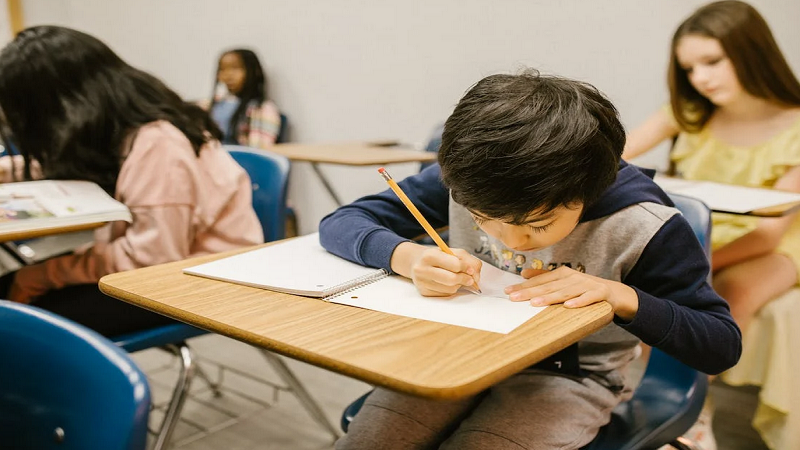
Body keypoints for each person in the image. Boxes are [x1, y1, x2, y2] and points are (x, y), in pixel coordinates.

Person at [319, 70, 742, 450]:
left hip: (568, 377)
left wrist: (619, 296)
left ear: (589, 190)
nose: (513, 240)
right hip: (462, 351)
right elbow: (342, 221)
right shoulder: (474, 182)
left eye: (538, 226)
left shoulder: (644, 224)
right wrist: (406, 256)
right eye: (483, 220)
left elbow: (720, 345)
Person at [0, 26, 264, 336]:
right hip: (162, 264)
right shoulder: (119, 128)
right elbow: (69, 163)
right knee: (13, 292)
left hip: (197, 282)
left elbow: (149, 261)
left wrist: (40, 276)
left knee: (17, 321)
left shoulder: (158, 145)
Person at [622, 2, 800, 447]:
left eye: (712, 62)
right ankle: (647, 394)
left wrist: (690, 259)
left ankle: (692, 408)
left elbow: (770, 231)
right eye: (690, 68)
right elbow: (615, 154)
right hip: (700, 234)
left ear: (752, 52)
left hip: (776, 244)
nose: (701, 78)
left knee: (730, 290)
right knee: (655, 288)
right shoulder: (688, 112)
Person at [203, 49, 282, 149]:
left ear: (254, 71)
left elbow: (258, 152)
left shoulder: (262, 109)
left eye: (235, 68)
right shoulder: (211, 105)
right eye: (222, 69)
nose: (228, 75)